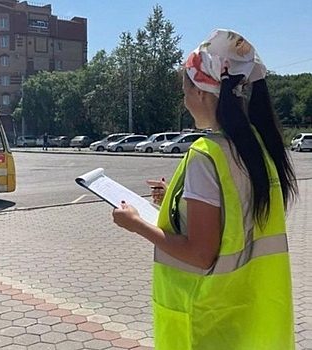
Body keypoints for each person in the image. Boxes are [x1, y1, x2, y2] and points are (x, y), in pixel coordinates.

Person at [113, 29, 298, 350]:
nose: (184, 101)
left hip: (210, 320)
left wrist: (136, 224)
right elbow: (237, 215)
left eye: (185, 90)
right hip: (255, 315)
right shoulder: (260, 149)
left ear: (200, 92)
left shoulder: (205, 154)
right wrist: (180, 199)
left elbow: (200, 254)